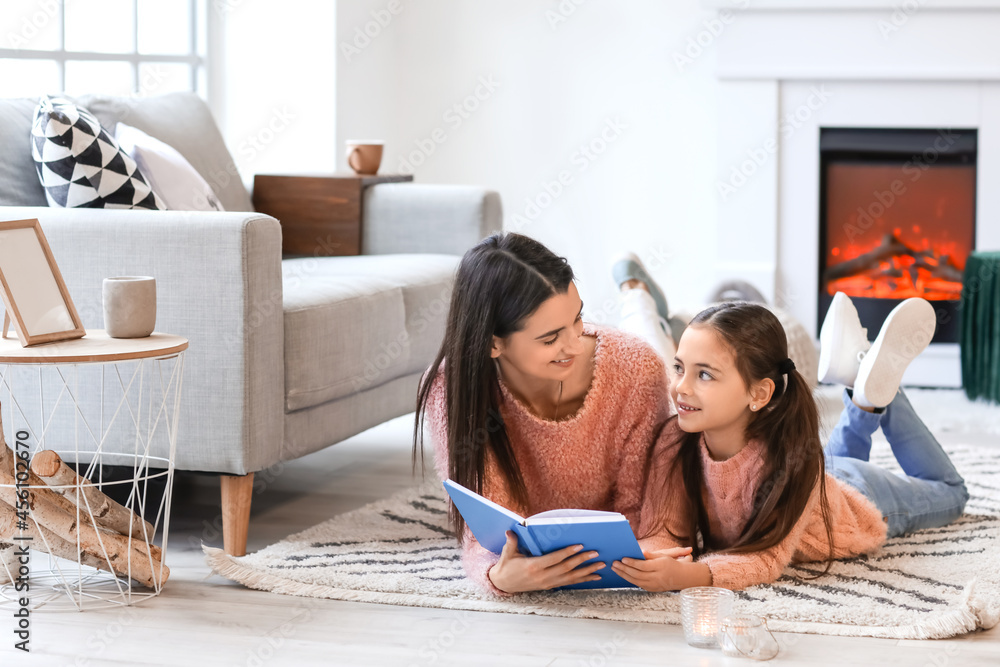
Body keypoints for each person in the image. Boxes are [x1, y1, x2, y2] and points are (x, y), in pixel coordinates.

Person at [609, 290, 970, 591]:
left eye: (704, 374)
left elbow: (764, 560)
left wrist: (691, 576)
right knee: (830, 466)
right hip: (823, 479)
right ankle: (863, 389)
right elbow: (664, 532)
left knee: (951, 492)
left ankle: (878, 388)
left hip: (860, 503)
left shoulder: (788, 461)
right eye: (679, 367)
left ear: (759, 393)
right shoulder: (675, 441)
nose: (680, 388)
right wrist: (648, 558)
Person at [413, 233, 684, 595]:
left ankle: (638, 294)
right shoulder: (450, 387)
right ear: (493, 342)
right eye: (550, 337)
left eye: (578, 318)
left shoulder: (636, 369)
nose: (573, 341)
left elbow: (643, 507)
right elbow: (483, 525)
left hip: (649, 362)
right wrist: (498, 576)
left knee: (661, 349)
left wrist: (649, 552)